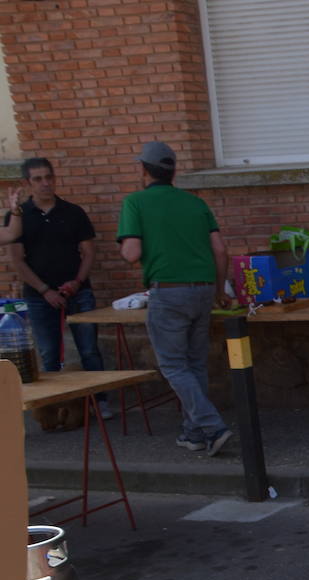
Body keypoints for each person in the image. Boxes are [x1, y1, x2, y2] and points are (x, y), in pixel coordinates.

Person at [116, 141, 233, 456]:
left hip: (168, 292)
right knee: (194, 364)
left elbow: (132, 253)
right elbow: (221, 251)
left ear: (143, 170)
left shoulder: (135, 203)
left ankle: (213, 426)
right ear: (173, 171)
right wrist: (221, 292)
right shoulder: (196, 204)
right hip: (203, 289)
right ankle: (193, 434)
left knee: (173, 366)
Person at [8, 157, 111, 418]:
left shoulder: (73, 212)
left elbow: (88, 252)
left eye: (49, 177)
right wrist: (45, 290)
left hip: (78, 291)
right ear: (27, 183)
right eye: (38, 179)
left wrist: (77, 282)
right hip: (39, 296)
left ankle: (101, 403)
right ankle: (54, 409)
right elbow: (17, 260)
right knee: (48, 354)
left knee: (89, 350)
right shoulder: (17, 216)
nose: (45, 183)